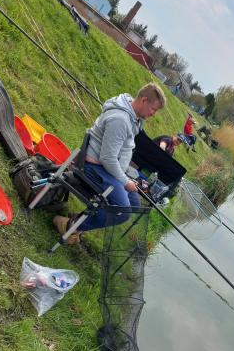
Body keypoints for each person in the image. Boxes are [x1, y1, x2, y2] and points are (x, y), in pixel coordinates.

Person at [53, 83, 166, 244]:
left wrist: (126, 177)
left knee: (134, 203)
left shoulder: (134, 118)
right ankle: (70, 225)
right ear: (144, 100)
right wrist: (125, 181)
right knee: (123, 210)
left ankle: (78, 219)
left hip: (107, 168)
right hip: (95, 167)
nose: (153, 114)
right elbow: (107, 158)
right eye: (153, 109)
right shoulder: (120, 120)